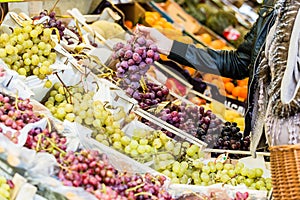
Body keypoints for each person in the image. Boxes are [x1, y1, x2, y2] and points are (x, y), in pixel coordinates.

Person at [138, 0, 300, 156]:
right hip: (261, 143)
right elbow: (238, 62)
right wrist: (170, 46)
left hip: (293, 149)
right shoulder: (275, 6)